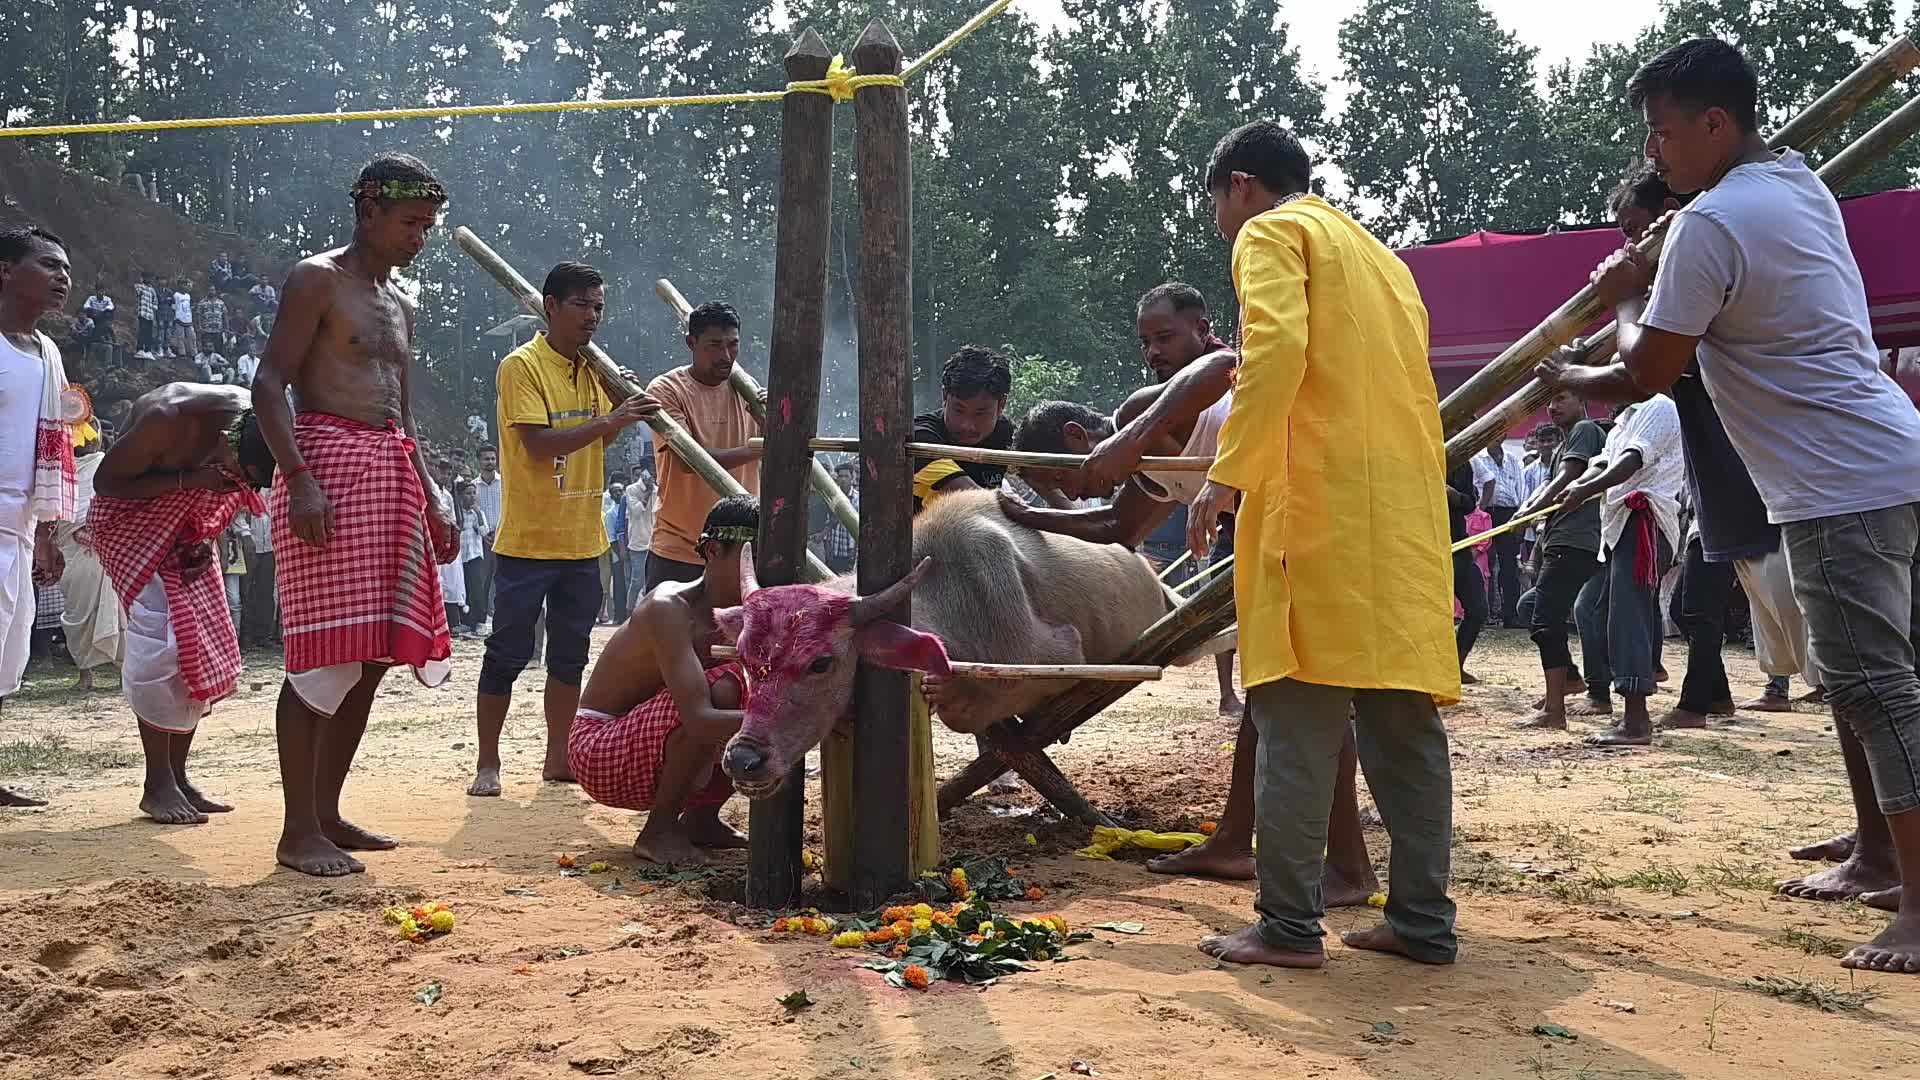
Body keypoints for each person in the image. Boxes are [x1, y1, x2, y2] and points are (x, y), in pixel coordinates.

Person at [1543, 38, 1920, 972]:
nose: (1656, 152)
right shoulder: (1795, 184)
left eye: (1664, 133)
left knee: (1877, 689)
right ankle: (1877, 856)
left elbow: (1646, 372)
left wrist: (1616, 304)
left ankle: (1919, 905)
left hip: (1840, 480)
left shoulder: (1714, 224)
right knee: (1857, 684)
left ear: (1716, 124)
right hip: (1873, 459)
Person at [1186, 120, 1457, 968]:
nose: (1222, 225)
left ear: (1238, 185)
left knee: (1295, 719)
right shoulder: (1383, 260)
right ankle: (1421, 923)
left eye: (1217, 207)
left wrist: (1226, 475)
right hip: (1399, 527)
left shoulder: (1274, 231)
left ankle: (1290, 925)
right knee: (1403, 728)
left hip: (1314, 516)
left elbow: (1274, 352)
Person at [250, 152, 459, 876]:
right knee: (321, 656)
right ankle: (295, 829)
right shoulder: (317, 279)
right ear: (369, 210)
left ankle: (328, 812)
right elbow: (269, 383)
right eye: (410, 223)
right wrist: (299, 478)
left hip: (391, 475)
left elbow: (400, 412)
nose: (419, 238)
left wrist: (432, 494)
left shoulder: (402, 304)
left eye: (428, 226)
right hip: (327, 470)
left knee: (369, 659)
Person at [1011, 282, 1244, 718]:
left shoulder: (1141, 414)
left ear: (1077, 438)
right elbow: (1119, 529)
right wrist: (1031, 517)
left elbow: (1223, 364)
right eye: (1145, 343)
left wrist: (1130, 439)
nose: (1152, 352)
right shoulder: (1150, 451)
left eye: (1164, 338)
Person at [470, 261, 654, 798]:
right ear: (550, 306)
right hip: (528, 542)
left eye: (599, 307)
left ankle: (558, 757)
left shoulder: (595, 368)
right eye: (582, 305)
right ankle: (487, 762)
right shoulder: (520, 366)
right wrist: (610, 420)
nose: (593, 317)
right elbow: (539, 443)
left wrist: (622, 401)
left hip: (583, 541)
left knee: (570, 656)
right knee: (506, 652)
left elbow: (603, 442)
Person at [89, 383, 275, 824]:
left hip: (189, 534)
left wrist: (202, 534)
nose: (238, 485)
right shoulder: (166, 419)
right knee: (161, 644)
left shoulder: (258, 419)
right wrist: (189, 479)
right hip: (130, 526)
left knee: (201, 643)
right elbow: (107, 484)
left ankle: (177, 777)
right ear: (225, 440)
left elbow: (217, 496)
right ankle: (157, 785)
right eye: (237, 474)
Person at [569, 495, 757, 865]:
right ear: (714, 550)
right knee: (725, 690)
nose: (761, 570)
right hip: (599, 749)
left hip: (650, 740)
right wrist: (779, 723)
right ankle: (658, 831)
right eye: (753, 556)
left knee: (738, 689)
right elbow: (699, 718)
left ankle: (701, 820)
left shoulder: (746, 612)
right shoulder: (668, 607)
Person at [0, 225, 79, 809]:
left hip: (21, 525)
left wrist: (48, 531)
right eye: (49, 264)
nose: (62, 277)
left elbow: (49, 448)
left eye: (66, 268)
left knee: (8, 653)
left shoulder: (47, 353)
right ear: (5, 269)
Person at [1556, 391, 1684, 747]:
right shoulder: (1621, 422)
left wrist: (1583, 492)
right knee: (1595, 612)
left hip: (1644, 520)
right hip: (1617, 526)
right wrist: (1562, 491)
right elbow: (1602, 462)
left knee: (1628, 616)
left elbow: (1630, 461)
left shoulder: (1659, 407)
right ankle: (1617, 697)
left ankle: (1636, 720)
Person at [643, 301, 760, 590]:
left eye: (733, 345)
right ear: (691, 343)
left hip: (740, 547)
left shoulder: (748, 390)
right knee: (668, 631)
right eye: (714, 345)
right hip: (681, 546)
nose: (725, 355)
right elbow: (688, 460)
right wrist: (755, 451)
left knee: (742, 633)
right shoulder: (666, 389)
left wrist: (771, 421)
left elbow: (784, 453)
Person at [1514, 389, 1608, 730]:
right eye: (1550, 401)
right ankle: (1568, 679)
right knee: (1532, 608)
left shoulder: (1584, 431)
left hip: (1576, 542)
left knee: (1545, 619)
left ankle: (1555, 711)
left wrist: (1528, 509)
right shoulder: (1563, 445)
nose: (1553, 407)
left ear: (1582, 399)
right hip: (1560, 539)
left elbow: (1568, 478)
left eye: (1562, 398)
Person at [57, 434, 123, 691]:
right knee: (77, 614)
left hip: (109, 555)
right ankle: (86, 676)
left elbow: (117, 506)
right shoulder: (62, 471)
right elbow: (62, 517)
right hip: (76, 556)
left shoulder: (106, 466)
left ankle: (122, 673)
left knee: (119, 614)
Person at [912, 345, 1015, 512]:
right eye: (959, 410)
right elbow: (975, 500)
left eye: (980, 413)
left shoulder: (1005, 433)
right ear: (944, 397)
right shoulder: (921, 437)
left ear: (1001, 404)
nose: (967, 425)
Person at [1472, 439, 1526, 625]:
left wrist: (1521, 518)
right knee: (1483, 562)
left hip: (1510, 513)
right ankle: (1482, 613)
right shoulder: (1477, 458)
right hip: (1486, 513)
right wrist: (1479, 513)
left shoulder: (1512, 459)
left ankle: (1509, 613)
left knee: (1509, 565)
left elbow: (1522, 489)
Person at [1446, 460, 1487, 683]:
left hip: (1458, 544)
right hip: (1425, 545)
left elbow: (1470, 503)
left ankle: (1456, 666)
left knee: (1478, 608)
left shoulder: (1462, 462)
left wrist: (1455, 496)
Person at [471, 445, 503, 629]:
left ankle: (501, 617)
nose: (490, 462)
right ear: (479, 461)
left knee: (502, 579)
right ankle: (481, 619)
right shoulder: (473, 486)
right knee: (482, 580)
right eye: (486, 459)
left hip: (502, 537)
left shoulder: (504, 483)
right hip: (481, 539)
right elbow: (472, 513)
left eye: (492, 458)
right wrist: (483, 533)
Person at [624, 461, 659, 608]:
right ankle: (629, 614)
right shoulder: (631, 490)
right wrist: (647, 492)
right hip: (638, 542)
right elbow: (637, 511)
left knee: (651, 581)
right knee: (637, 581)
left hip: (654, 542)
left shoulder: (658, 490)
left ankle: (646, 614)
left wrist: (653, 490)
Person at [457, 481, 490, 633]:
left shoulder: (478, 513)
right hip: (460, 556)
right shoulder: (458, 513)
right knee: (465, 588)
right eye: (468, 493)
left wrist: (478, 513)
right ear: (461, 496)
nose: (472, 497)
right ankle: (466, 621)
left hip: (475, 556)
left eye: (473, 493)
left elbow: (484, 532)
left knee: (478, 589)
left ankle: (480, 620)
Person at [81, 278, 115, 344]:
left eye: (102, 291)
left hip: (102, 316)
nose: (101, 293)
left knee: (108, 314)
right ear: (96, 291)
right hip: (93, 315)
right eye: (99, 291)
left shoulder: (107, 299)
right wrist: (93, 310)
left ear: (104, 291)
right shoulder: (91, 298)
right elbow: (86, 305)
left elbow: (111, 306)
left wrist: (102, 311)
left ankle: (108, 338)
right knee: (88, 311)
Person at [134, 271, 159, 357]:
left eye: (150, 278)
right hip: (142, 313)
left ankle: (148, 350)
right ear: (143, 278)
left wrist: (154, 311)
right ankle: (139, 349)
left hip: (150, 315)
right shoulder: (140, 286)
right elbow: (137, 291)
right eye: (146, 278)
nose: (149, 280)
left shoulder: (152, 290)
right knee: (142, 332)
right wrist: (140, 281)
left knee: (149, 333)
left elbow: (155, 302)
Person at [170, 277, 194, 358]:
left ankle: (193, 352)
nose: (184, 286)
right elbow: (173, 307)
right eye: (182, 284)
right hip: (179, 318)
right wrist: (175, 317)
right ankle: (182, 352)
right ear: (179, 285)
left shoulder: (188, 296)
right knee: (181, 337)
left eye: (185, 284)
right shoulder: (176, 295)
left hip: (188, 318)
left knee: (192, 336)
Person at [198, 288, 226, 355]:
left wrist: (226, 328)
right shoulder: (202, 302)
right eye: (210, 290)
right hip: (207, 330)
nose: (211, 291)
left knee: (219, 349)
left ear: (215, 291)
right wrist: (200, 327)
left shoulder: (221, 302)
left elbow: (225, 315)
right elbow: (198, 315)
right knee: (206, 350)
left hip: (218, 330)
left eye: (213, 290)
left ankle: (220, 364)